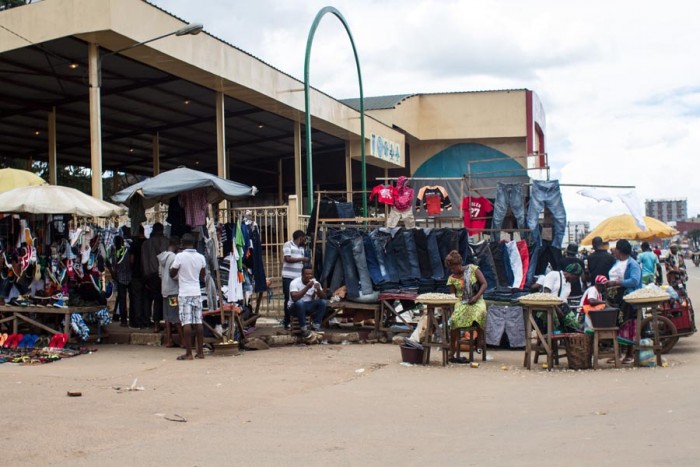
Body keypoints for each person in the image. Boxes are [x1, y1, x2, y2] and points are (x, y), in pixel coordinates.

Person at [445, 250, 487, 364]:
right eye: (451, 269)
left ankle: (479, 341)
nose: (453, 271)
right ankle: (452, 349)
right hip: (461, 301)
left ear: (459, 264)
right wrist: (454, 304)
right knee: (454, 320)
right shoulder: (451, 278)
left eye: (454, 268)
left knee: (480, 312)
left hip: (476, 299)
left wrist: (476, 297)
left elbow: (484, 284)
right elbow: (453, 296)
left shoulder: (473, 269)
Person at [170, 234, 206, 361]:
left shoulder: (179, 257)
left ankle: (189, 353)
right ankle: (200, 352)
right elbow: (203, 275)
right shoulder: (201, 257)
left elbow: (172, 273)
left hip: (184, 292)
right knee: (198, 321)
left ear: (182, 243)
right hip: (196, 291)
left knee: (186, 322)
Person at [606, 239, 642, 364]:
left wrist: (617, 282)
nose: (614, 251)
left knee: (629, 325)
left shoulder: (633, 264)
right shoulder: (617, 262)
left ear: (619, 250)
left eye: (616, 248)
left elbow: (634, 281)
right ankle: (617, 353)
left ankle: (629, 353)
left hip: (628, 300)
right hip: (616, 299)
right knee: (617, 325)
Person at [142, 222, 169, 332]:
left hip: (151, 275)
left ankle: (153, 323)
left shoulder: (146, 244)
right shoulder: (167, 241)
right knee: (163, 299)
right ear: (162, 230)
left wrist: (145, 277)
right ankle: (163, 324)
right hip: (165, 275)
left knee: (152, 299)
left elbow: (144, 262)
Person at [541, 263, 583, 332]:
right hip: (549, 307)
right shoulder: (553, 275)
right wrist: (556, 308)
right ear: (571, 273)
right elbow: (546, 292)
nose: (575, 281)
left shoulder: (568, 284)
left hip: (562, 309)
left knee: (574, 326)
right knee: (551, 330)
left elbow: (564, 299)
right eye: (576, 278)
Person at [158, 236, 183, 348]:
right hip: (173, 291)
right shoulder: (174, 257)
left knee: (167, 317)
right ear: (176, 245)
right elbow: (174, 275)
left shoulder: (163, 257)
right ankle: (182, 340)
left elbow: (160, 274)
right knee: (176, 317)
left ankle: (169, 340)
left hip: (165, 290)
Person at [288, 266, 327, 336]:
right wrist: (307, 287)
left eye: (311, 274)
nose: (309, 276)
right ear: (302, 275)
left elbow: (324, 297)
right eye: (307, 274)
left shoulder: (315, 282)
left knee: (323, 302)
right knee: (300, 302)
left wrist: (318, 290)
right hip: (294, 307)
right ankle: (304, 328)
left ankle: (316, 326)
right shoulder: (294, 282)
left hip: (308, 306)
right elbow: (294, 298)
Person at [281, 230, 307, 330]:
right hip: (288, 277)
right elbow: (287, 259)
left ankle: (295, 320)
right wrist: (302, 259)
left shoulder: (302, 248)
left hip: (298, 278)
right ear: (300, 237)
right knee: (288, 299)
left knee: (299, 299)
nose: (304, 240)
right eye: (304, 238)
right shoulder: (288, 244)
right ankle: (286, 321)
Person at [107, 235, 131, 327]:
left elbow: (108, 261)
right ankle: (120, 317)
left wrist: (112, 271)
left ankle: (123, 319)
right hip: (128, 276)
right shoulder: (126, 250)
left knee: (121, 299)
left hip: (119, 277)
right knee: (123, 298)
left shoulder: (114, 251)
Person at [129, 225, 147, 328]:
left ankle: (137, 321)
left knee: (136, 298)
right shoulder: (148, 242)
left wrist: (132, 268)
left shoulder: (134, 244)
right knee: (146, 298)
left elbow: (131, 260)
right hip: (147, 275)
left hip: (136, 274)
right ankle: (146, 320)